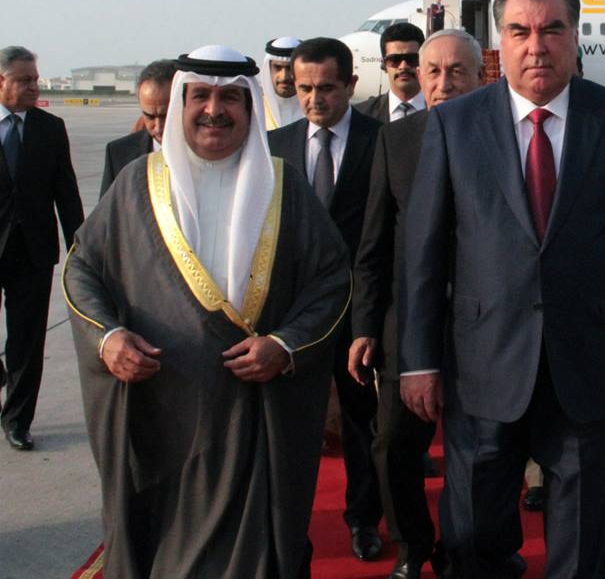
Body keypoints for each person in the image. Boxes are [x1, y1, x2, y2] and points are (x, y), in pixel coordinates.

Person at [400, 0, 605, 577]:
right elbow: (424, 253)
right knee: (473, 532)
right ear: (500, 41)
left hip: (586, 360)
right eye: (520, 31)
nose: (537, 46)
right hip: (481, 362)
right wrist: (418, 360)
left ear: (575, 37)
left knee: (580, 540)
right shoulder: (455, 125)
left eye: (552, 29)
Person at [63, 45, 352, 578]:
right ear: (181, 103)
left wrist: (284, 344)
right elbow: (82, 270)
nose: (214, 110)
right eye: (200, 96)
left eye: (230, 99)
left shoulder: (284, 187)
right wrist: (108, 338)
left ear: (250, 107)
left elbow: (332, 280)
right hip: (160, 421)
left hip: (254, 419)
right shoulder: (137, 185)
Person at [349, 28, 485, 579]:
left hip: (483, 325)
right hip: (407, 325)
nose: (443, 82)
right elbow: (374, 244)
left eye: (457, 71)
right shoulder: (396, 141)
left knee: (481, 453)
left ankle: (467, 547)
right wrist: (364, 326)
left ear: (481, 76)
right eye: (433, 71)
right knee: (392, 446)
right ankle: (412, 546)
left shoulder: (504, 137)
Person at [267, 37, 385, 562]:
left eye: (327, 88)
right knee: (292, 429)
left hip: (359, 310)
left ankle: (365, 519)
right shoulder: (274, 146)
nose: (315, 99)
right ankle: (287, 529)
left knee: (362, 425)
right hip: (293, 316)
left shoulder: (382, 142)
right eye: (305, 88)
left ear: (351, 85)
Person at [0, 46, 84, 451]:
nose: (34, 87)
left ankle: (17, 420)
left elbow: (66, 192)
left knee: (27, 341)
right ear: (1, 81)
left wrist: (79, 249)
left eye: (35, 79)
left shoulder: (50, 128)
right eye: (24, 80)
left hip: (32, 251)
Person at [100, 59, 175, 197]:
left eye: (166, 116)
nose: (158, 128)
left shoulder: (210, 151)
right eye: (149, 116)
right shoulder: (118, 154)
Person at [355, 23, 426, 123]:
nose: (403, 66)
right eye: (394, 59)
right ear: (383, 64)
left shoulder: (442, 114)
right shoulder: (360, 116)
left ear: (424, 61)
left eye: (412, 59)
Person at [261, 36, 303, 130]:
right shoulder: (255, 109)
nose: (284, 77)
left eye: (290, 68)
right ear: (268, 69)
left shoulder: (315, 109)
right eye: (277, 67)